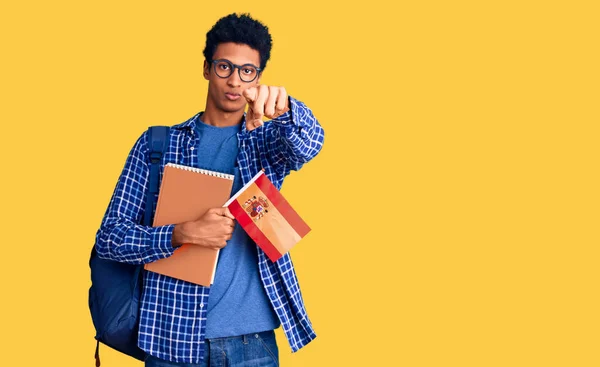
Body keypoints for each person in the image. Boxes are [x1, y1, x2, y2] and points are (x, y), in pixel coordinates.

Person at [94, 12, 324, 367]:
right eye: (224, 67)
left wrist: (288, 108)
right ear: (206, 68)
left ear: (258, 77)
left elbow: (311, 143)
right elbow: (110, 238)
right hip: (171, 339)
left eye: (247, 71)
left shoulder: (267, 142)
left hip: (253, 343)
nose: (235, 81)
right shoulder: (159, 144)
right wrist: (180, 234)